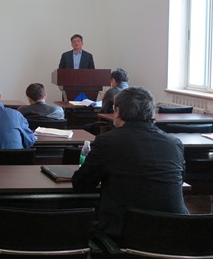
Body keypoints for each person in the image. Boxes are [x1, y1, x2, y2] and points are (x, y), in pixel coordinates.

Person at [72, 87, 188, 241]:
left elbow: (81, 184)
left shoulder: (107, 142)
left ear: (117, 111)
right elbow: (180, 180)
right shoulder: (174, 143)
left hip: (125, 234)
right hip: (176, 232)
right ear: (152, 112)